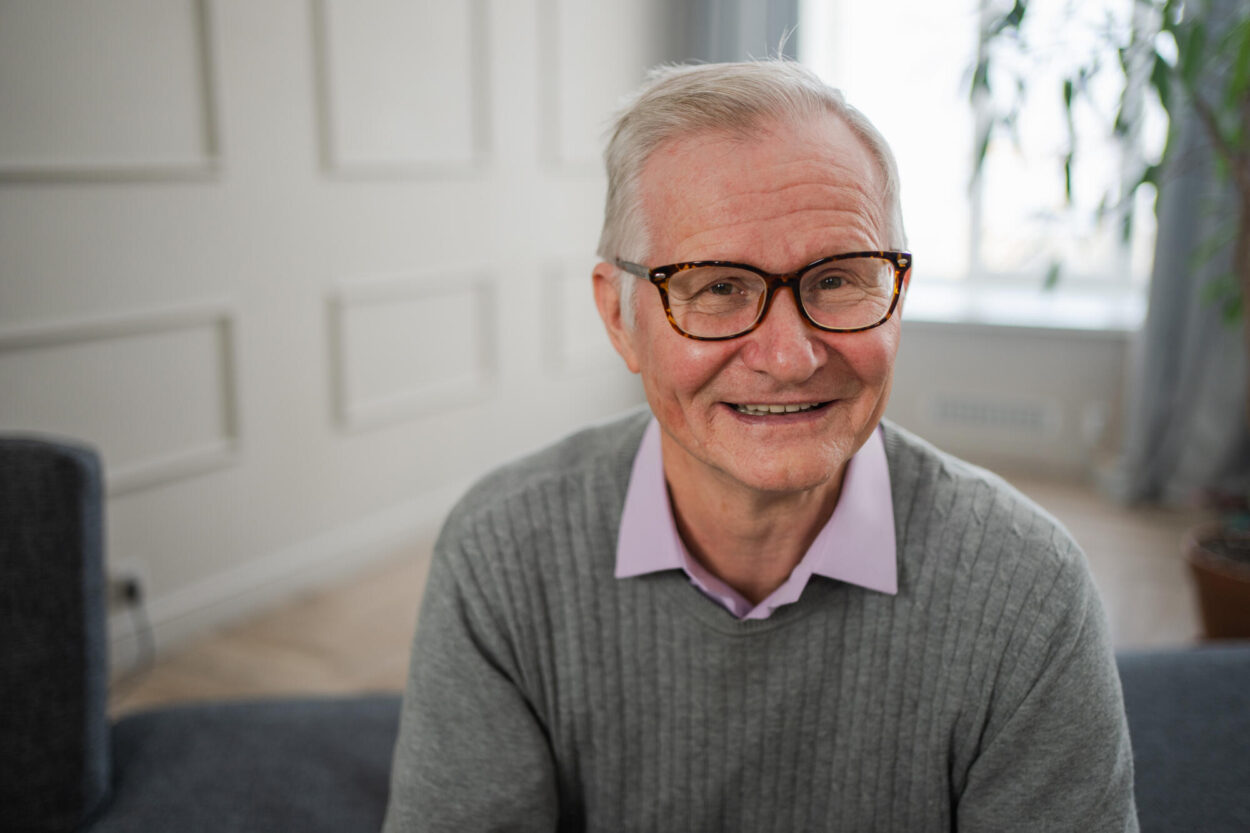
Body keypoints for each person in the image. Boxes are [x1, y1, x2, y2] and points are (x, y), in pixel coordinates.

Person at [383, 60, 1138, 832]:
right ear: (620, 317)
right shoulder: (502, 553)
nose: (789, 356)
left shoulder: (1027, 590)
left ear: (896, 298)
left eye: (839, 279)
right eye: (717, 287)